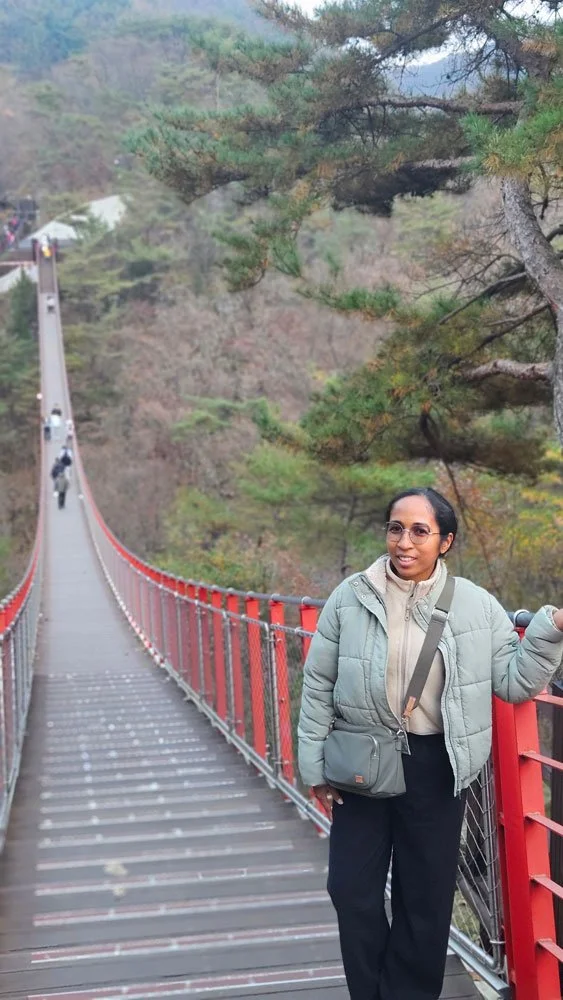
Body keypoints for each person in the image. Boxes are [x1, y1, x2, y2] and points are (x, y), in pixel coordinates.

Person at [298, 487, 563, 1000]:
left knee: (425, 900)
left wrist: (550, 628)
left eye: (420, 531)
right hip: (362, 762)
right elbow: (317, 685)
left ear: (445, 541)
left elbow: (512, 681)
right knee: (350, 891)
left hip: (438, 767)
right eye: (396, 528)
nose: (404, 541)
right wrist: (313, 768)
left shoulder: (476, 606)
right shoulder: (350, 597)